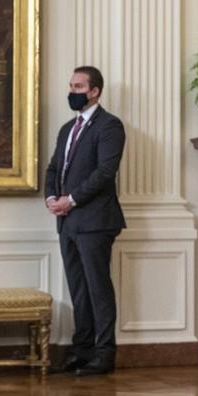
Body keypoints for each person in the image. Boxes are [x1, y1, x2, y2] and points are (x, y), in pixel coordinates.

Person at [45, 66, 127, 376]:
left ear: (94, 91)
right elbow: (53, 169)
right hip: (67, 221)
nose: (72, 91)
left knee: (98, 289)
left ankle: (104, 354)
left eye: (78, 86)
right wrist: (52, 199)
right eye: (71, 85)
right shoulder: (68, 128)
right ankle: (81, 352)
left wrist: (72, 199)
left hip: (95, 221)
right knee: (78, 289)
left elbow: (105, 173)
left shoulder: (110, 126)